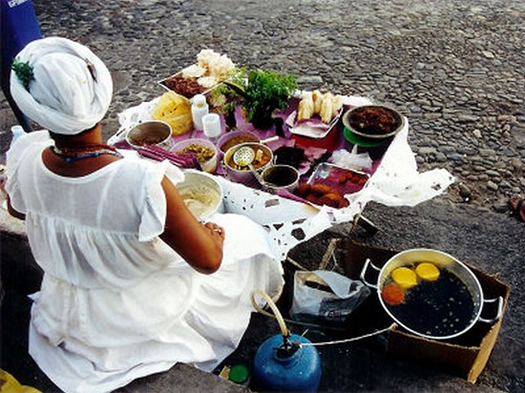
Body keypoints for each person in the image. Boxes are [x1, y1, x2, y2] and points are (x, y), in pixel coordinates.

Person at [5, 37, 284, 393]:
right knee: (245, 232)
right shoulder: (139, 181)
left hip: (69, 303)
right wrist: (212, 234)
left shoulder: (27, 157)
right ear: (100, 100)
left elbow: (15, 206)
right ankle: (268, 301)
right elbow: (209, 261)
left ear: (37, 112)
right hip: (140, 311)